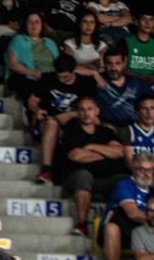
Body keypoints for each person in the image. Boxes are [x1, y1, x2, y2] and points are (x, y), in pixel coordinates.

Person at [60, 96, 127, 237]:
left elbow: (120, 152)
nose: (86, 113)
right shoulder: (71, 132)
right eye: (82, 110)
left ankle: (122, 227)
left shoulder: (107, 132)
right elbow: (76, 156)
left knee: (124, 180)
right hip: (77, 179)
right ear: (78, 113)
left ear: (97, 111)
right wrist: (105, 152)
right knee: (84, 175)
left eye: (90, 109)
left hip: (106, 178)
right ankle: (82, 224)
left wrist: (91, 147)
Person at [29, 54, 97, 184]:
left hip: (76, 120)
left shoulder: (85, 83)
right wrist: (36, 110)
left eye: (66, 76)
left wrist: (71, 114)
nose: (63, 79)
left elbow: (92, 109)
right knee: (52, 123)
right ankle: (46, 168)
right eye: (60, 77)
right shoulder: (47, 79)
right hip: (50, 120)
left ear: (74, 71)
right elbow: (32, 101)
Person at [105, 153, 154, 260]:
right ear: (134, 169)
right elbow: (132, 213)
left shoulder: (152, 189)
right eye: (141, 169)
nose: (145, 174)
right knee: (111, 229)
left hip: (144, 232)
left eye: (149, 170)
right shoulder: (124, 185)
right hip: (123, 230)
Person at [5, 12, 59, 100]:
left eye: (37, 22)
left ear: (42, 25)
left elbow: (59, 64)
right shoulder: (19, 40)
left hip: (50, 78)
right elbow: (13, 64)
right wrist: (34, 74)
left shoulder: (50, 42)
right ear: (25, 25)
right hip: (28, 77)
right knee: (20, 80)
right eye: (30, 22)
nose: (34, 25)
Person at [96, 50, 154, 130]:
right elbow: (73, 69)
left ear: (124, 64)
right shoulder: (96, 82)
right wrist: (93, 73)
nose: (113, 68)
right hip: (108, 130)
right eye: (109, 63)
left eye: (117, 63)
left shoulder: (137, 83)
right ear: (104, 64)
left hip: (135, 129)